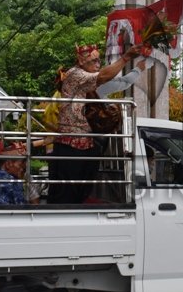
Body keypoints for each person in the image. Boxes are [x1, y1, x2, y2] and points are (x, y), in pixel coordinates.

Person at [48, 43, 141, 205]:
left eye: (99, 61)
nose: (98, 65)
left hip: (86, 143)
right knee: (65, 195)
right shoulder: (75, 74)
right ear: (82, 62)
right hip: (70, 146)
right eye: (94, 61)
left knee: (83, 192)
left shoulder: (89, 84)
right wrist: (126, 57)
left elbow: (114, 80)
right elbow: (104, 77)